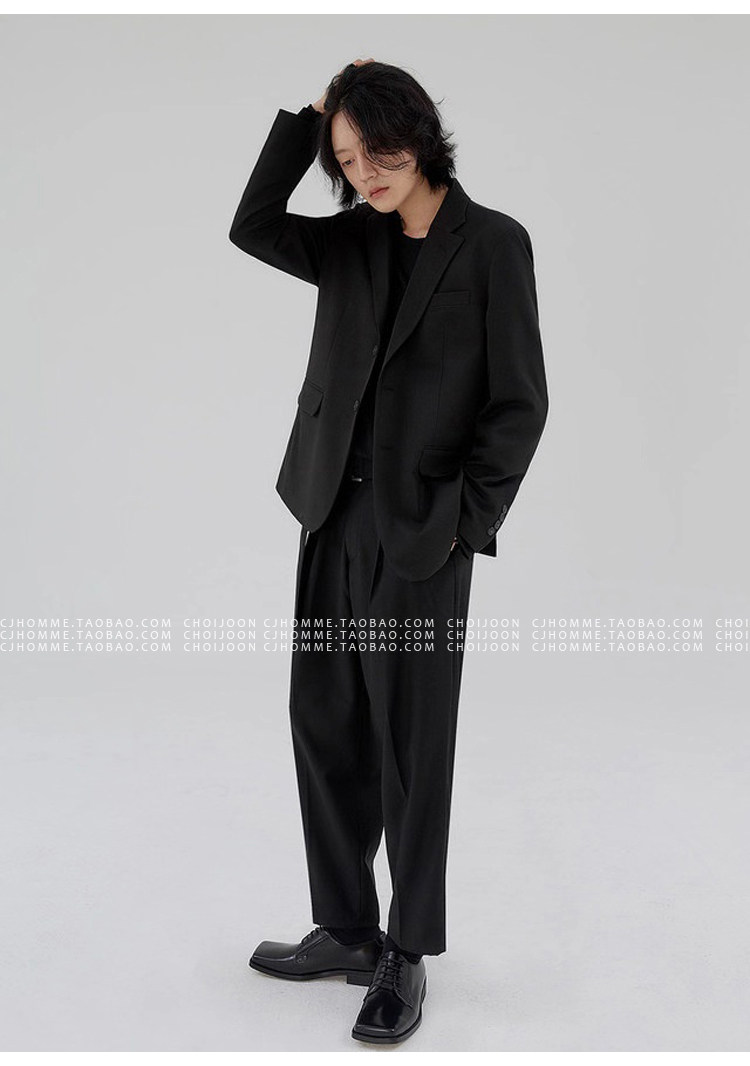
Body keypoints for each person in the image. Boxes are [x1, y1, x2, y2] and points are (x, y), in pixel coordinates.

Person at [228, 58, 549, 1045]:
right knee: (323, 722)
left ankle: (406, 952)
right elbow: (252, 225)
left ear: (421, 134)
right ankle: (346, 928)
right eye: (346, 157)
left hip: (422, 537)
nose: (364, 172)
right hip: (330, 514)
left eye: (378, 151)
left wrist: (465, 523)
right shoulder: (350, 243)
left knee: (412, 748)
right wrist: (309, 120)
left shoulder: (493, 245)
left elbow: (520, 403)